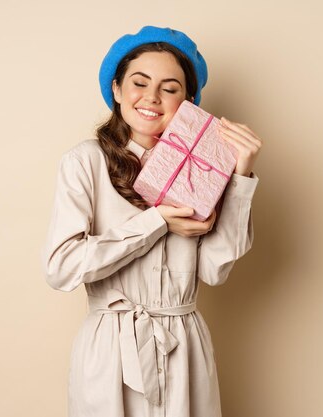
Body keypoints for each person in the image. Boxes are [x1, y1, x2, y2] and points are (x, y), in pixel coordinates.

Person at [41, 25, 263, 417]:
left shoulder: (205, 167)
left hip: (184, 346)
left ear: (190, 100)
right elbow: (61, 267)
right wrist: (156, 221)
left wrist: (241, 176)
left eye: (171, 88)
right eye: (139, 83)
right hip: (111, 349)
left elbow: (214, 271)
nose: (152, 98)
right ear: (116, 90)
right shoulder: (85, 162)